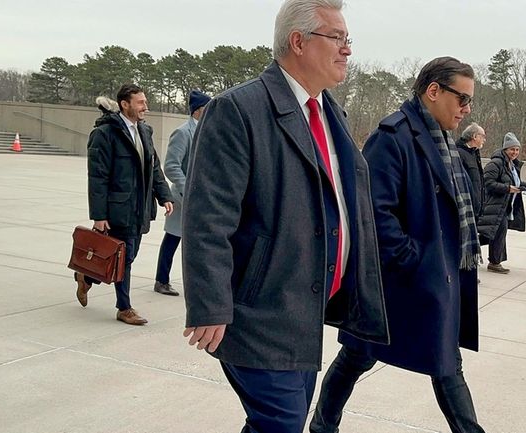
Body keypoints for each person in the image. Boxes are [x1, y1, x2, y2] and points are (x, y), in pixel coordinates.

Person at [181, 1, 389, 432]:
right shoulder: (239, 110)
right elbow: (208, 219)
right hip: (260, 311)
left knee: (276, 423)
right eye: (338, 38)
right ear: (298, 41)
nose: (347, 49)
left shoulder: (329, 113)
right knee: (281, 422)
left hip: (306, 310)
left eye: (347, 39)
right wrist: (209, 304)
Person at [311, 56, 486, 433]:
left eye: (470, 101)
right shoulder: (393, 137)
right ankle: (323, 426)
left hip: (435, 278)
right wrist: (414, 259)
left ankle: (322, 426)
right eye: (462, 99)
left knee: (440, 361)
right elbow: (373, 212)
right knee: (362, 355)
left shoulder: (443, 143)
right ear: (433, 91)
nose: (466, 109)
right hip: (400, 282)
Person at [74, 84, 174, 325]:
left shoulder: (146, 131)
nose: (145, 107)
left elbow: (154, 168)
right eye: (140, 103)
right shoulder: (105, 134)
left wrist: (165, 195)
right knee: (124, 258)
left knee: (126, 256)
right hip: (117, 208)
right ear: (124, 104)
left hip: (140, 208)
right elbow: (97, 178)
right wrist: (99, 215)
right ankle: (124, 307)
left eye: (145, 102)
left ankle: (86, 276)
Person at [152, 90, 211, 297]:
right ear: (199, 110)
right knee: (173, 238)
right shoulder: (183, 132)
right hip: (183, 197)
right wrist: (189, 189)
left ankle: (195, 283)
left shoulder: (208, 131)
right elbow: (171, 166)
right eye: (208, 108)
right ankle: (162, 280)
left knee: (197, 242)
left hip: (202, 197)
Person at [477, 132, 526, 274]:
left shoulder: (511, 165)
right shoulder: (496, 164)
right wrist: (507, 189)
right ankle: (493, 262)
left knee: (494, 233)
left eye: (517, 149)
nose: (515, 152)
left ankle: (493, 260)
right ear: (505, 150)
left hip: (506, 206)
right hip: (494, 205)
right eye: (512, 149)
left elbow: (514, 183)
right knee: (494, 232)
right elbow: (487, 183)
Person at [457, 122, 486, 219]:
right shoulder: (459, 153)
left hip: (475, 209)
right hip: (465, 209)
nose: (484, 140)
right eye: (482, 136)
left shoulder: (474, 154)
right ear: (474, 136)